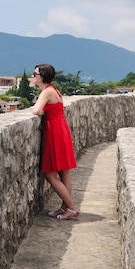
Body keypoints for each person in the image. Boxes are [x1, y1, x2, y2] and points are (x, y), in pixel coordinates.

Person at [29, 63, 79, 220]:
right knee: (64, 172)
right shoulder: (53, 89)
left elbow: (36, 110)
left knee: (50, 174)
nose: (32, 76)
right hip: (61, 128)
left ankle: (71, 208)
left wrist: (42, 112)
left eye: (34, 73)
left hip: (54, 131)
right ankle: (64, 207)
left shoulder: (46, 92)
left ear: (41, 77)